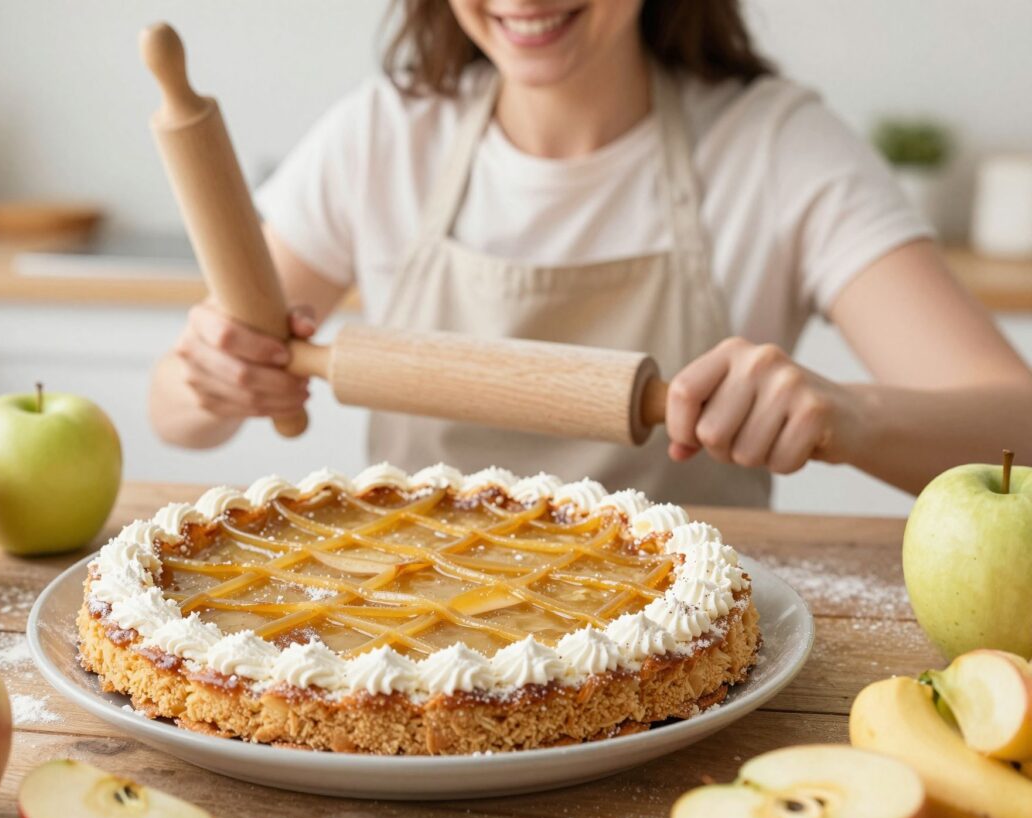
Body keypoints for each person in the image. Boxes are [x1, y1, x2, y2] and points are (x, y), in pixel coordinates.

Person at [149, 0, 1032, 506]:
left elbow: (1017, 432)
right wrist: (212, 378)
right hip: (414, 634)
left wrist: (854, 418)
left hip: (680, 671)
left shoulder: (777, 147)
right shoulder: (383, 135)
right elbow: (177, 415)